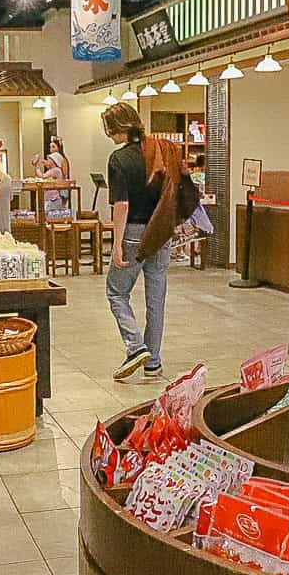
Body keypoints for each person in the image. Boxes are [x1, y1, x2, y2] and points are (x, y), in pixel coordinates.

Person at [102, 102, 187, 382]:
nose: (108, 134)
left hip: (134, 233)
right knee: (156, 299)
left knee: (116, 291)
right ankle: (153, 362)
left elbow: (122, 204)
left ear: (118, 128)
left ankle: (136, 346)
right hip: (161, 231)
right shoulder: (159, 150)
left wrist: (116, 244)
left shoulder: (119, 159)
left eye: (109, 129)